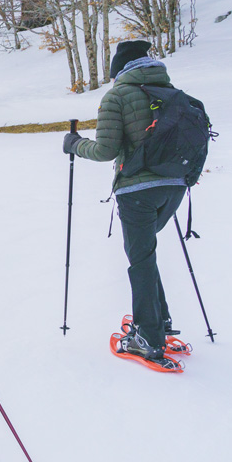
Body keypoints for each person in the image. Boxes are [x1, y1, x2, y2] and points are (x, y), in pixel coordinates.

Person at [62, 40, 186, 370]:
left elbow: (104, 151)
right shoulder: (171, 92)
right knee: (144, 253)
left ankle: (148, 338)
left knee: (141, 259)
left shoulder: (117, 96)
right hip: (175, 187)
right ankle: (159, 322)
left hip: (138, 190)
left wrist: (75, 144)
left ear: (119, 71)